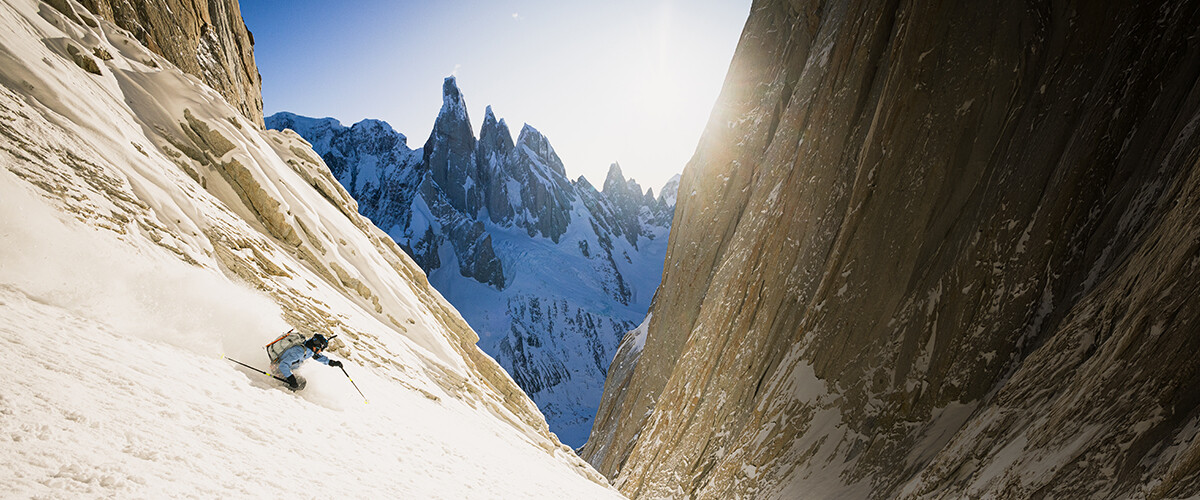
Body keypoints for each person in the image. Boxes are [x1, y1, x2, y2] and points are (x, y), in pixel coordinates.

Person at [273, 333, 343, 390]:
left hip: (287, 369)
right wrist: (291, 378)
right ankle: (281, 392)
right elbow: (283, 365)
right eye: (322, 349)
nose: (321, 351)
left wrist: (332, 362)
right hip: (278, 369)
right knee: (298, 383)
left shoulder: (307, 348)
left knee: (301, 382)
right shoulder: (299, 351)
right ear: (317, 347)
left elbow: (317, 356)